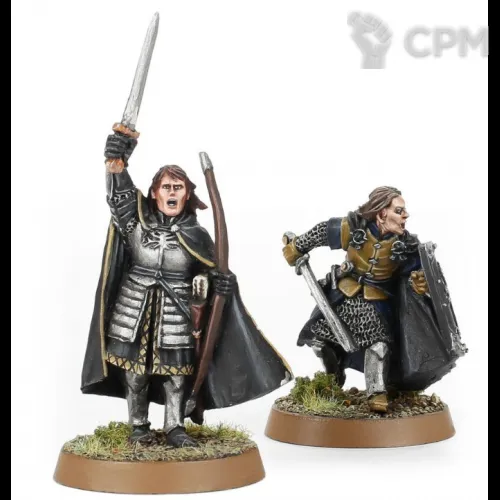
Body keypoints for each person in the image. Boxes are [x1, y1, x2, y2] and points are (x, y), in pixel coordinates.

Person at [81, 131, 292, 446]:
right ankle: (138, 426)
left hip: (177, 309)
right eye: (166, 187)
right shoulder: (136, 223)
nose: (172, 192)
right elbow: (119, 196)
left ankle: (174, 427)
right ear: (154, 193)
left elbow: (212, 271)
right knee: (135, 373)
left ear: (187, 194)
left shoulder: (197, 234)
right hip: (133, 306)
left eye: (177, 187)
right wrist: (117, 162)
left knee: (177, 374)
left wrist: (219, 282)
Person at [282, 186, 464, 413]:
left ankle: (377, 392)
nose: (405, 216)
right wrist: (297, 246)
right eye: (399, 211)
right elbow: (323, 232)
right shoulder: (354, 228)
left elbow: (420, 273)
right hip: (341, 294)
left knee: (378, 345)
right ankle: (333, 377)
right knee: (320, 340)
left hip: (376, 302)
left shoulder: (406, 245)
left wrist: (420, 283)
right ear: (381, 213)